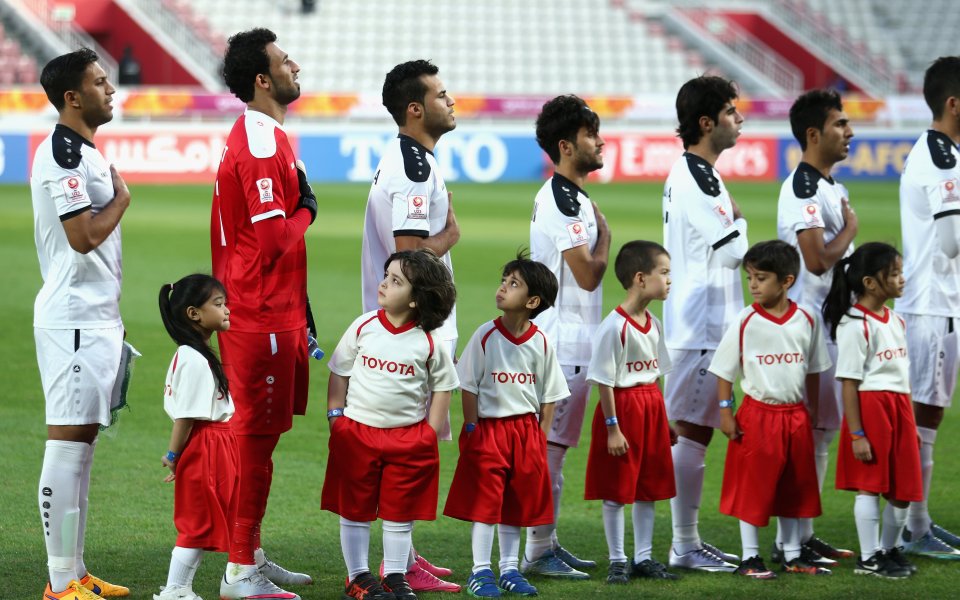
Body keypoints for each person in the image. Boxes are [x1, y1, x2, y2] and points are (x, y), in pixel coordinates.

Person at [210, 28, 318, 600]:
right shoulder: (259, 143)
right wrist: (306, 212)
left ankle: (247, 551)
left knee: (262, 440)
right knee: (254, 441)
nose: (293, 64)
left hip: (270, 308)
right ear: (261, 78)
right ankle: (238, 571)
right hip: (259, 312)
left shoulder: (266, 134)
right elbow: (275, 239)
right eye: (283, 60)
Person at [32, 47, 131, 600]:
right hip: (71, 319)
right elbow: (83, 236)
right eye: (99, 82)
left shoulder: (87, 151)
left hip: (94, 318)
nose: (110, 89)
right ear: (73, 97)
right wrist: (122, 198)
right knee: (67, 446)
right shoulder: (65, 153)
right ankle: (58, 580)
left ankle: (75, 571)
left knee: (83, 446)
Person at [360, 59, 461, 592]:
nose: (453, 102)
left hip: (407, 332)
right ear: (416, 109)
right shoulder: (414, 169)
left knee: (411, 449)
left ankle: (405, 555)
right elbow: (409, 260)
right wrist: (448, 239)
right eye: (443, 95)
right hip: (412, 335)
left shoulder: (412, 159)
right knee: (409, 450)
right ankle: (395, 565)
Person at [322, 249, 459, 600]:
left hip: (408, 438)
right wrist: (336, 417)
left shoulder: (430, 342)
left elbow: (444, 386)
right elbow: (340, 372)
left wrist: (429, 432)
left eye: (396, 281)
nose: (383, 283)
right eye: (386, 275)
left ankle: (395, 575)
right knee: (355, 507)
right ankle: (358, 576)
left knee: (400, 511)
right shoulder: (364, 325)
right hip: (356, 432)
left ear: (416, 300)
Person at [523, 94, 612, 579]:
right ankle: (538, 550)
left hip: (566, 337)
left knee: (554, 451)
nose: (600, 142)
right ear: (566, 144)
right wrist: (607, 238)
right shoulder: (563, 197)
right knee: (551, 452)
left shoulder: (566, 195)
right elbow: (589, 274)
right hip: (564, 340)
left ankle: (546, 541)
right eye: (591, 134)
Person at [443, 253, 567, 598]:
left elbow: (551, 394)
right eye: (504, 280)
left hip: (525, 432)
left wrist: (540, 436)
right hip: (490, 430)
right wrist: (471, 427)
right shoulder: (486, 335)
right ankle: (481, 571)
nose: (503, 288)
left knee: (516, 502)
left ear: (532, 301)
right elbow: (468, 384)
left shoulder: (541, 342)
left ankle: (510, 568)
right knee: (486, 503)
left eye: (514, 284)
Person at [661, 75, 746, 572]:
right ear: (707, 122)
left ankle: (685, 541)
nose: (740, 121)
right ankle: (683, 545)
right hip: (699, 325)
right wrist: (740, 221)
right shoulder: (699, 176)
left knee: (695, 431)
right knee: (691, 432)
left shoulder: (694, 172)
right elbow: (733, 252)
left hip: (700, 321)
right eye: (732, 112)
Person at [711, 240, 831, 579]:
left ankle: (792, 554)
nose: (753, 285)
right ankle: (750, 557)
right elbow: (724, 370)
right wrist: (725, 410)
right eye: (749, 277)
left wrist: (815, 414)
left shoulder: (806, 319)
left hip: (795, 416)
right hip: (757, 414)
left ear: (787, 281)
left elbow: (814, 372)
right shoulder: (746, 320)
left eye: (761, 278)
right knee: (753, 487)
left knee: (795, 486)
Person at [775, 88, 858, 565]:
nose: (849, 132)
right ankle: (788, 544)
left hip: (830, 325)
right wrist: (850, 230)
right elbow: (816, 260)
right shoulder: (803, 188)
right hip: (808, 330)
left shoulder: (829, 186)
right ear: (813, 134)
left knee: (822, 432)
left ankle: (802, 535)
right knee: (807, 435)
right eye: (840, 124)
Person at [822, 242, 922, 578]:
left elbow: (900, 374)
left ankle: (889, 549)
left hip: (899, 406)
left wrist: (908, 418)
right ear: (870, 282)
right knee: (871, 484)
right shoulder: (854, 324)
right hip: (872, 407)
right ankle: (869, 558)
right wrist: (857, 433)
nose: (901, 279)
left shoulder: (895, 319)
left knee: (903, 486)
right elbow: (849, 383)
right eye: (894, 273)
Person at [584, 241, 679, 584]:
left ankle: (643, 556)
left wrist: (663, 419)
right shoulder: (614, 326)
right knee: (617, 488)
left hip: (650, 406)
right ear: (641, 278)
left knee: (648, 486)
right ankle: (617, 559)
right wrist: (612, 427)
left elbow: (657, 374)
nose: (670, 280)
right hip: (623, 411)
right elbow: (604, 381)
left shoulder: (653, 322)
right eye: (664, 273)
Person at [897, 55, 960, 559]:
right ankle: (911, 528)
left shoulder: (941, 151)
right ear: (954, 104)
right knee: (924, 414)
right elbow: (953, 240)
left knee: (928, 414)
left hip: (935, 302)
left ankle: (915, 522)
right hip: (932, 303)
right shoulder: (942, 157)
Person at [155, 275, 239, 600]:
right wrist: (174, 456)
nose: (227, 310)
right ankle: (175, 590)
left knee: (205, 520)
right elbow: (186, 417)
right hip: (208, 446)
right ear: (194, 314)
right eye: (218, 304)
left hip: (215, 444)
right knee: (197, 523)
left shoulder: (194, 353)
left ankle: (181, 588)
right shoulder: (193, 359)